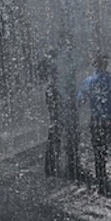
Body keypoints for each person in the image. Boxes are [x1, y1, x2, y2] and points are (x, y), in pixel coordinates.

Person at [77, 52, 111, 196]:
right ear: (106, 64)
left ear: (94, 64)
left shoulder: (88, 82)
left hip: (97, 121)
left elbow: (80, 101)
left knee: (99, 153)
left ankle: (102, 183)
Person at [38, 44, 79, 180]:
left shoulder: (50, 63)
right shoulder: (58, 63)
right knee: (60, 130)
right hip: (59, 99)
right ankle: (60, 166)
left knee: (56, 130)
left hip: (55, 98)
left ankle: (52, 166)